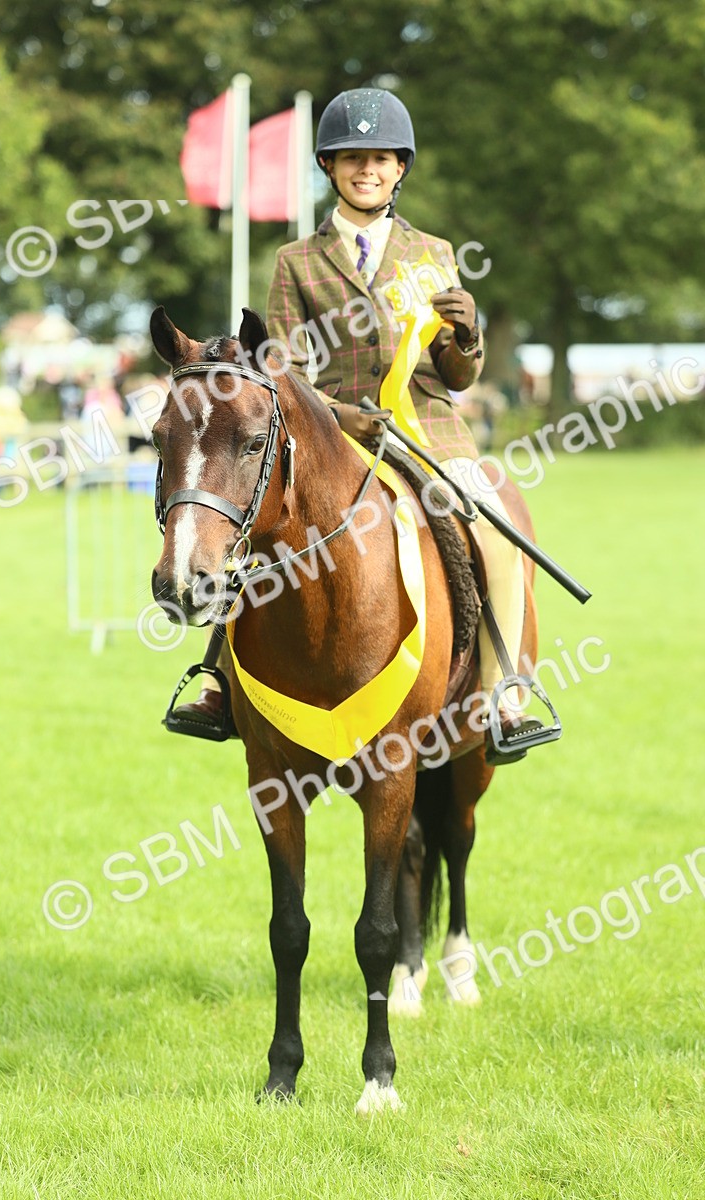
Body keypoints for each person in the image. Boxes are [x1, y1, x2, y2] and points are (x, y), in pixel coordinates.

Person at [177, 88, 557, 763]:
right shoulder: (296, 262)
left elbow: (455, 374)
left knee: (497, 534)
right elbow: (284, 368)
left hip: (430, 430)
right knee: (256, 534)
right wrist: (343, 414)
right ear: (329, 166)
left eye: (379, 159)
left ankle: (505, 695)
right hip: (331, 435)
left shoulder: (432, 252)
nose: (367, 170)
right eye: (353, 159)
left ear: (399, 167)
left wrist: (466, 338)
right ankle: (218, 679)